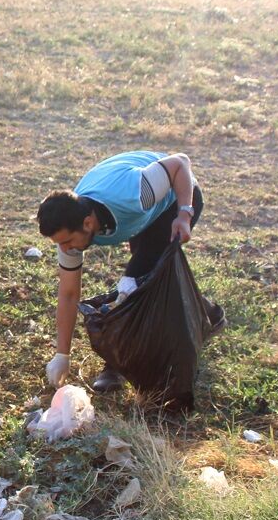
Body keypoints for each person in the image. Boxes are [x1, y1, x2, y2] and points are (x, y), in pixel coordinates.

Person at [36, 150, 221, 392]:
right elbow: (69, 294)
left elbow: (180, 162)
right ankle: (207, 313)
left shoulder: (134, 195)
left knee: (132, 288)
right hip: (141, 218)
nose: (66, 249)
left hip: (176, 195)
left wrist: (184, 214)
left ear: (88, 223)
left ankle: (116, 366)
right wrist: (62, 354)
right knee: (146, 277)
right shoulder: (71, 228)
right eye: (59, 244)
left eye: (68, 241)